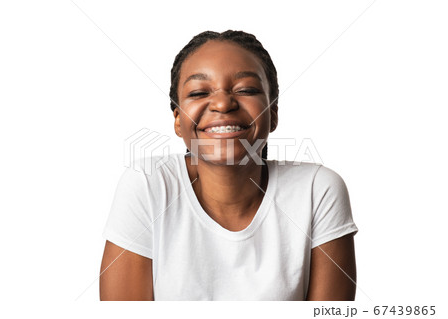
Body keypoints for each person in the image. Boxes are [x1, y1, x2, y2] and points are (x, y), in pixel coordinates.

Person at [100, 30, 358, 301]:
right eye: (199, 92)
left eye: (246, 89)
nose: (223, 103)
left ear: (273, 113)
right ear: (178, 120)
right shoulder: (147, 184)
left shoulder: (318, 190)